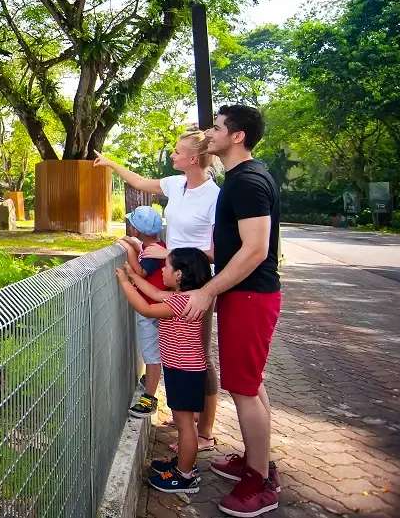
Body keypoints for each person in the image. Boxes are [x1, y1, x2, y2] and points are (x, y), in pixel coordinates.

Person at [179, 105, 282, 517]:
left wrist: (208, 290)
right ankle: (257, 460)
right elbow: (236, 243)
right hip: (245, 295)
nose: (210, 133)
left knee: (243, 388)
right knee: (250, 384)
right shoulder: (240, 179)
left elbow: (256, 250)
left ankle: (259, 481)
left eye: (218, 128)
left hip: (250, 296)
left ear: (237, 136)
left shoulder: (248, 182)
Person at [95, 129, 220, 453]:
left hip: (196, 286)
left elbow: (217, 251)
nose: (172, 156)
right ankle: (186, 418)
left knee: (198, 357)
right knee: (177, 354)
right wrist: (110, 164)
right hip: (170, 281)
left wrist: (170, 256)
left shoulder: (214, 196)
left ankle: (203, 431)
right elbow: (138, 182)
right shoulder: (175, 185)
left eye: (178, 152)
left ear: (193, 159)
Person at [115, 248, 213, 494]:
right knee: (183, 421)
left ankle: (184, 475)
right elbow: (156, 293)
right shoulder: (186, 295)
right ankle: (183, 463)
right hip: (183, 369)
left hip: (185, 370)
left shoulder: (182, 301)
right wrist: (133, 275)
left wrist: (125, 283)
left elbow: (147, 309)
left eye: (166, 267)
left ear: (179, 274)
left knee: (184, 424)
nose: (161, 270)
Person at [117, 205, 167, 418]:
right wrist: (134, 245)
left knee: (151, 355)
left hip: (149, 311)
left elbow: (141, 272)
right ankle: (150, 382)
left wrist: (128, 249)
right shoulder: (158, 246)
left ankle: (149, 399)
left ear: (136, 230)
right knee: (152, 352)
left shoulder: (152, 253)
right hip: (153, 307)